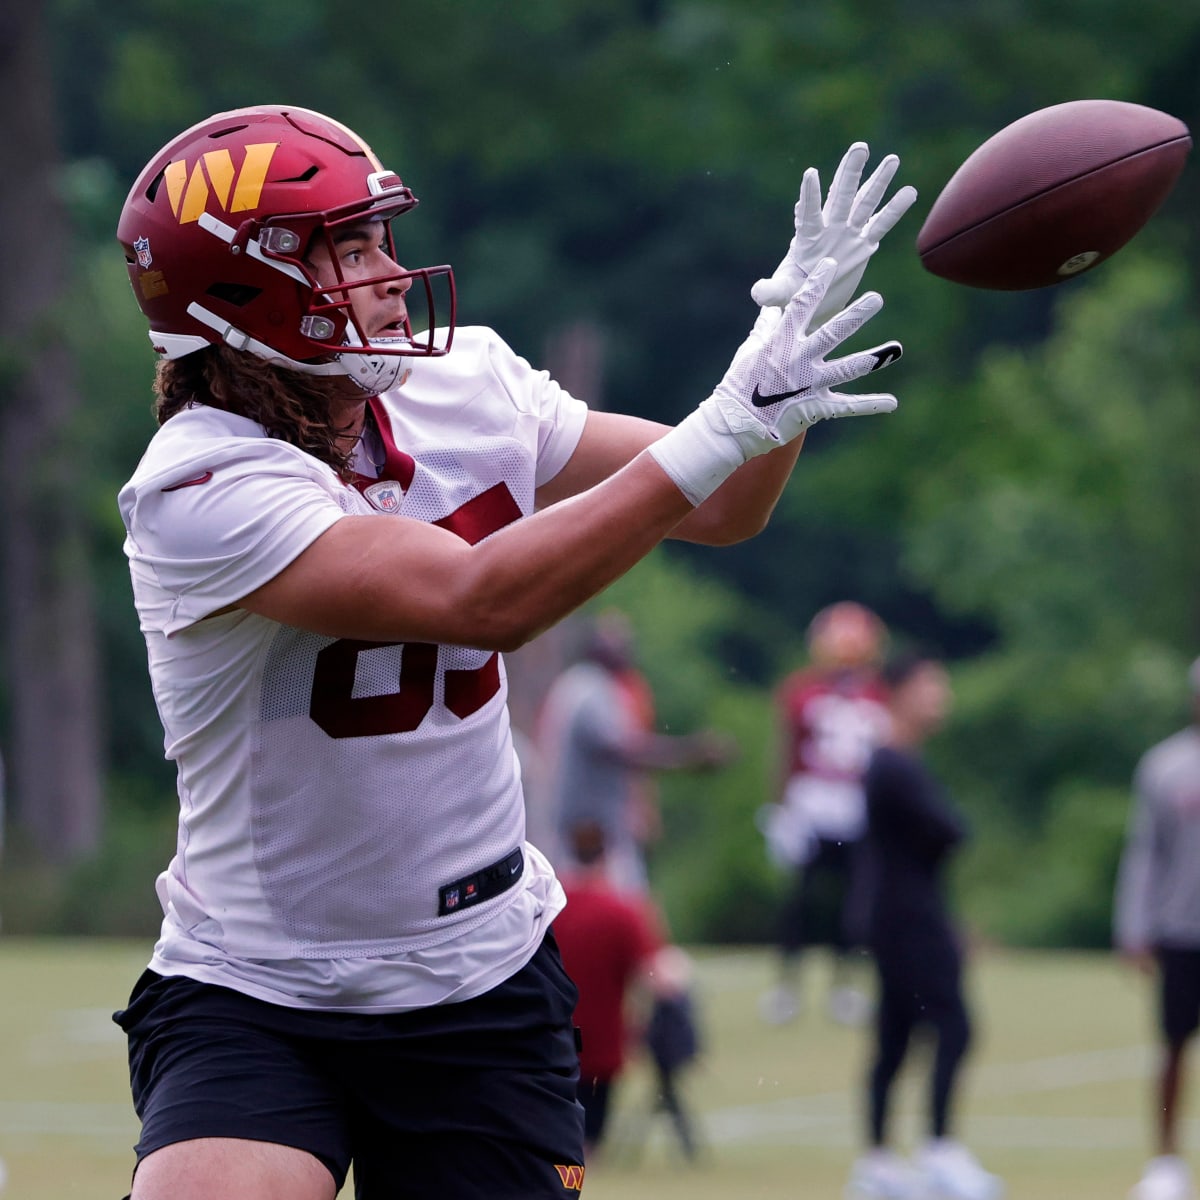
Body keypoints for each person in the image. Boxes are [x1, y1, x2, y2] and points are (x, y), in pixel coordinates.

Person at [111, 104, 914, 1200]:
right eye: (347, 246)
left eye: (379, 237)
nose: (390, 272)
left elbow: (722, 502)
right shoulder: (195, 487)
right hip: (258, 983)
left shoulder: (465, 385)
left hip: (478, 977)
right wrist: (724, 421)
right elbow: (481, 599)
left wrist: (779, 377)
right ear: (242, 290)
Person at [847, 651, 1002, 1200]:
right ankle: (938, 1150)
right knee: (952, 1025)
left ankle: (878, 1161)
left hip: (900, 914)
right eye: (934, 686)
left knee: (896, 1034)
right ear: (902, 691)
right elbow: (949, 829)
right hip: (907, 918)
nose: (943, 698)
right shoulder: (893, 764)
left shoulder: (897, 761)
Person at [759, 600, 890, 1026]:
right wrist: (779, 807)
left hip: (856, 810)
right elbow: (786, 751)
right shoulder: (804, 691)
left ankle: (843, 987)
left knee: (854, 905)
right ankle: (789, 987)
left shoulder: (877, 693)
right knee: (801, 903)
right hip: (812, 806)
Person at [539, 611, 734, 893]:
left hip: (586, 828)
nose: (626, 648)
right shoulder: (589, 689)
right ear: (595, 647)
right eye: (616, 641)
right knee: (620, 907)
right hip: (588, 834)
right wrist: (688, 754)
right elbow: (621, 748)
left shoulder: (581, 685)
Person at [552, 821, 694, 1158]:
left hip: (548, 1039)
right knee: (587, 1145)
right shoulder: (622, 910)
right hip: (600, 1047)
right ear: (609, 857)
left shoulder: (546, 905)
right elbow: (662, 978)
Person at [1114, 656, 1200, 1200]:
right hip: (1182, 929)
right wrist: (1135, 927)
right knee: (1172, 1046)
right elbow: (1145, 853)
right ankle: (1166, 1162)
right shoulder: (1167, 765)